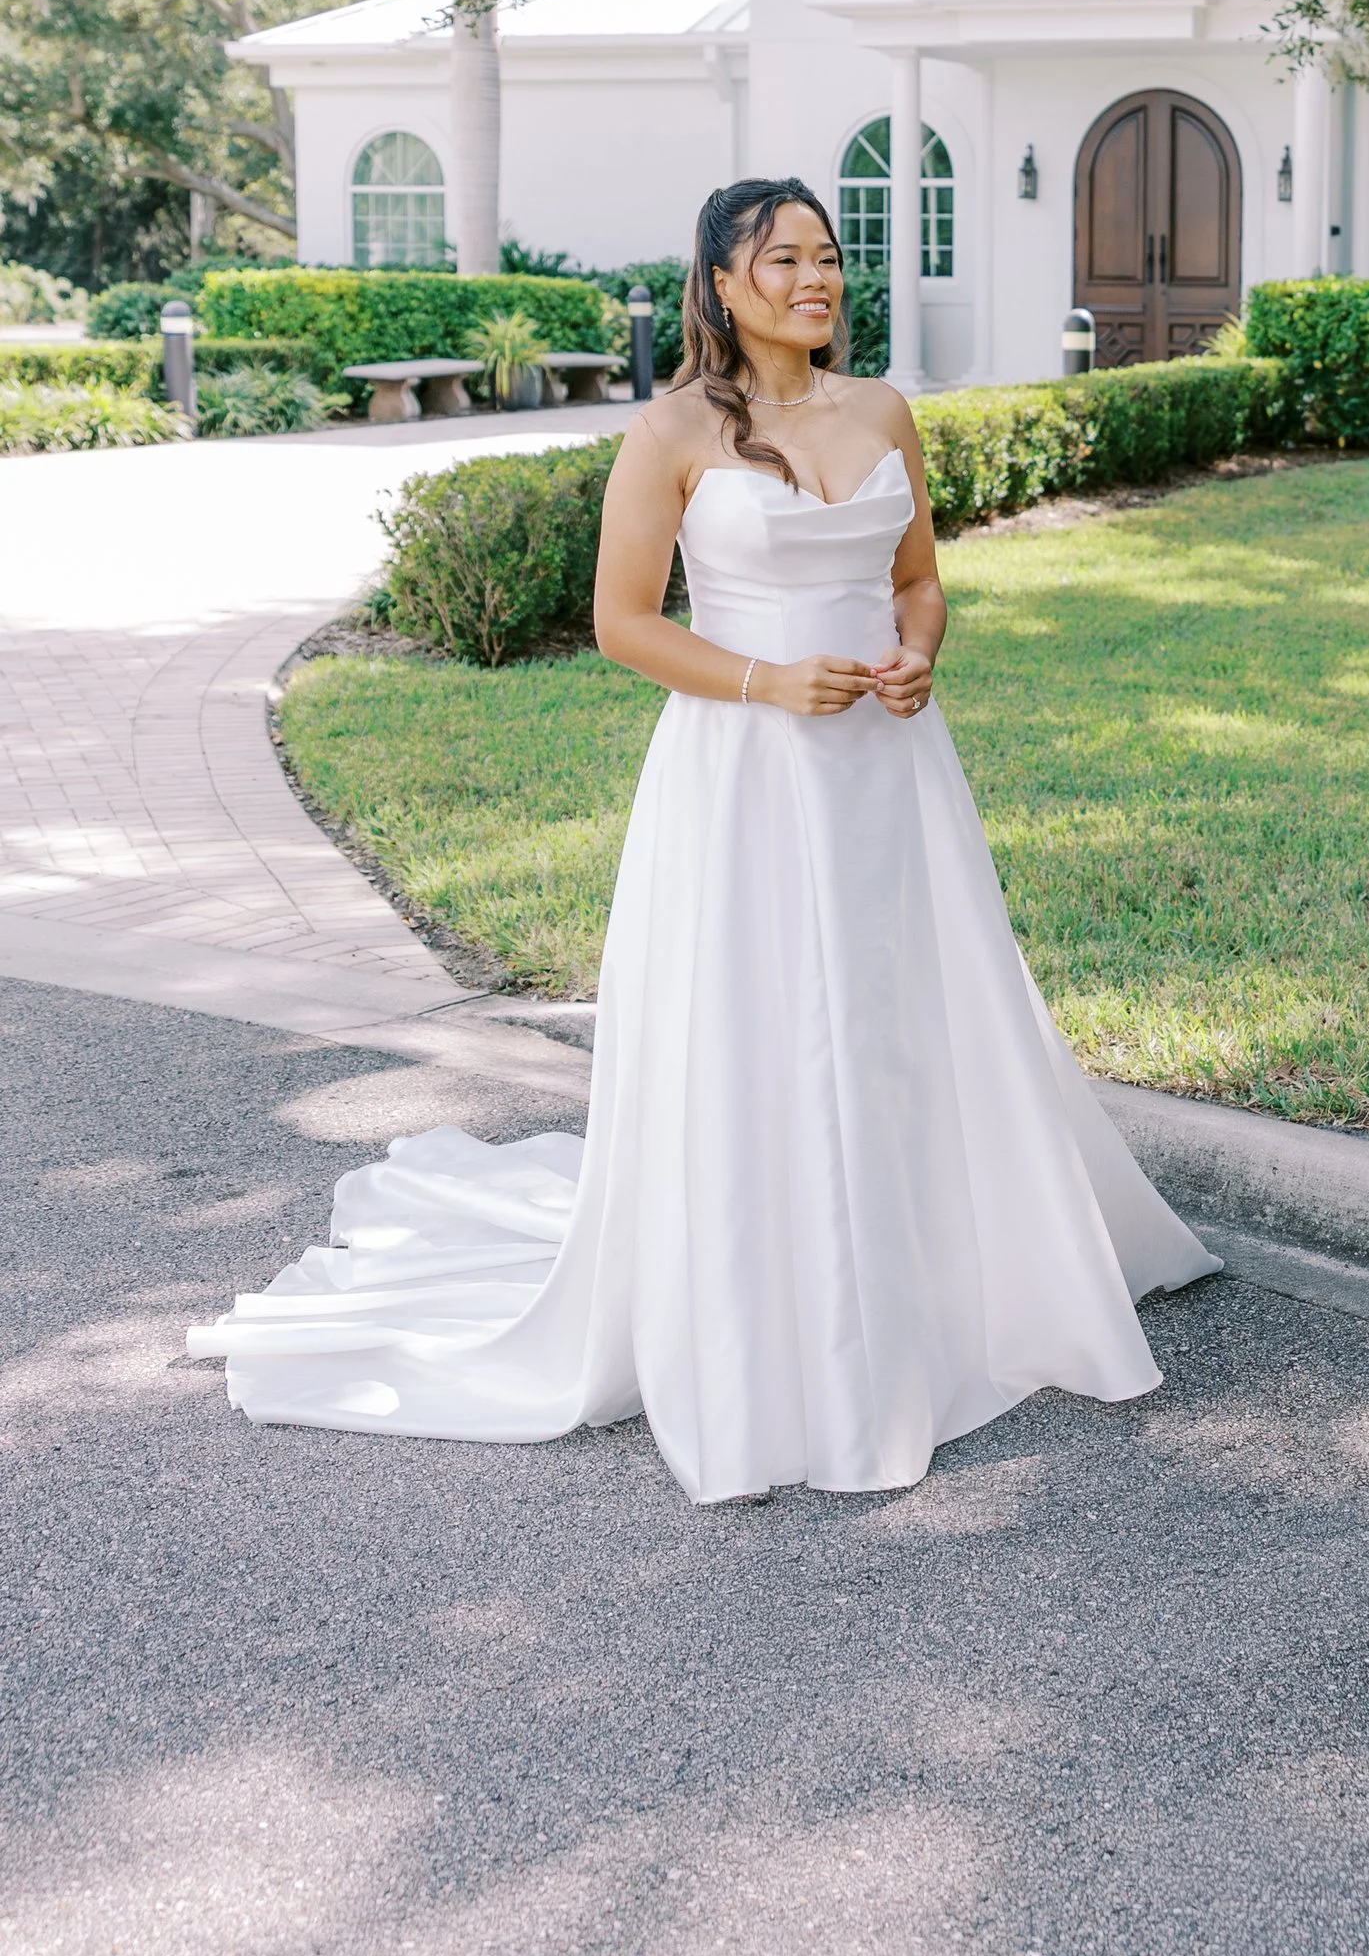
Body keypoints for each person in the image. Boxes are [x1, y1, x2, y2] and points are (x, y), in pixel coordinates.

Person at [193, 177, 1213, 1498]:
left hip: (890, 773)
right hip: (742, 768)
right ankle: (774, 1296)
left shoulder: (882, 410)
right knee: (765, 1019)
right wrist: (766, 681)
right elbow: (625, 620)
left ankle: (926, 1261)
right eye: (781, 258)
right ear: (722, 286)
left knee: (899, 1013)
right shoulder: (672, 430)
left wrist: (916, 654)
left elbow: (915, 579)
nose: (815, 277)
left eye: (828, 255)